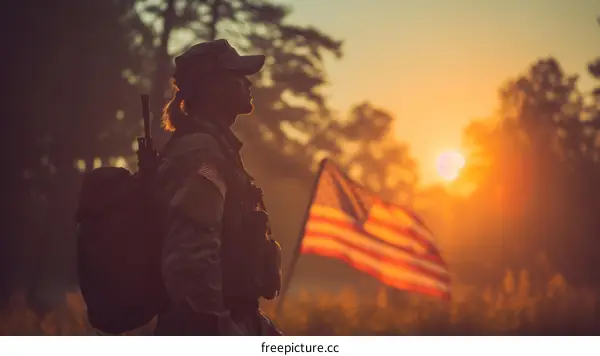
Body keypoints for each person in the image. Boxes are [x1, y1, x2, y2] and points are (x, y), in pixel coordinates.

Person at [153, 39, 283, 336]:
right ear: (215, 87)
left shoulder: (216, 151)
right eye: (238, 76)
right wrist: (222, 332)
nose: (248, 84)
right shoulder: (204, 156)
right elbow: (190, 260)